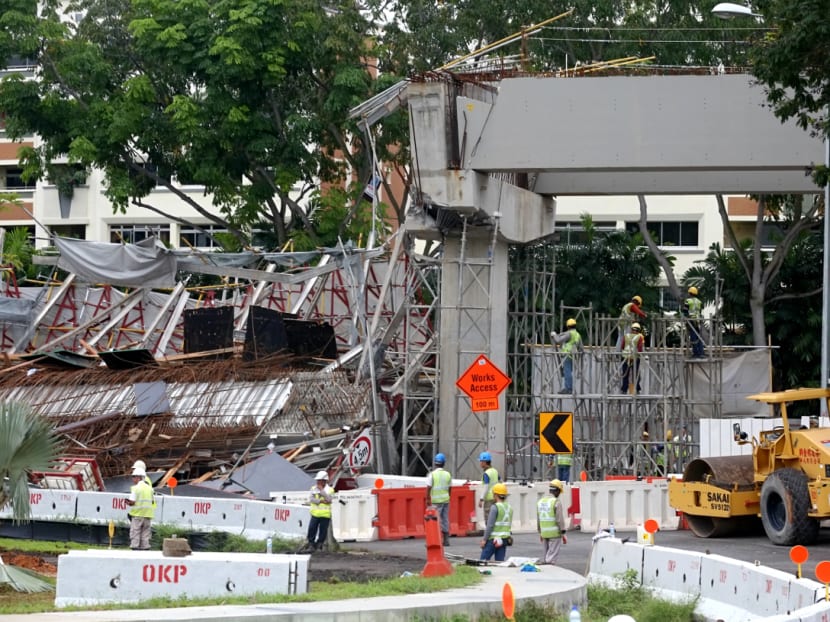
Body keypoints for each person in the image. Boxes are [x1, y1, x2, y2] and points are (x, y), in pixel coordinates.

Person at [479, 483, 513, 562]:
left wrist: (484, 539)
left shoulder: (495, 507)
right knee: (499, 563)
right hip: (504, 539)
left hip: (493, 540)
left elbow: (490, 525)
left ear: (495, 495)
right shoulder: (509, 507)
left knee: (482, 561)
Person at [537, 479, 567, 565]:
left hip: (544, 533)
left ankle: (545, 572)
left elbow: (539, 519)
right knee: (551, 558)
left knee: (546, 555)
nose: (559, 494)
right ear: (557, 490)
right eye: (559, 492)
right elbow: (559, 519)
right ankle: (549, 571)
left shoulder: (540, 502)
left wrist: (540, 532)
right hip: (554, 533)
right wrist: (563, 532)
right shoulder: (556, 502)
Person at [551, 318, 584, 394]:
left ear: (568, 326)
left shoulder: (569, 334)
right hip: (574, 356)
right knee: (568, 372)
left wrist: (554, 335)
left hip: (567, 355)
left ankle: (568, 388)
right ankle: (569, 388)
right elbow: (581, 348)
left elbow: (558, 341)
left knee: (567, 372)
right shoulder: (578, 334)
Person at [426, 453, 452, 546]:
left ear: (435, 463)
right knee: (445, 519)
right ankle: (446, 540)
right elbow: (450, 488)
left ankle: (435, 540)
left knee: (434, 520)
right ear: (444, 463)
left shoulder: (432, 475)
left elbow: (428, 487)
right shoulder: (447, 474)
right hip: (445, 500)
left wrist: (427, 498)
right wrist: (448, 497)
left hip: (436, 501)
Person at [126, 466, 154, 550]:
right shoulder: (150, 489)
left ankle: (135, 550)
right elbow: (152, 501)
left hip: (137, 515)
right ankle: (145, 551)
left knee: (135, 533)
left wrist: (128, 502)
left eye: (133, 477)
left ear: (138, 477)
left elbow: (132, 502)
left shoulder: (136, 488)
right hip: (148, 516)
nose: (132, 479)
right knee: (145, 535)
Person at [307, 471, 334, 551]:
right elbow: (311, 499)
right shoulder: (313, 488)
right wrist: (321, 501)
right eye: (317, 480)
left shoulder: (330, 490)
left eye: (319, 480)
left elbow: (329, 500)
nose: (318, 482)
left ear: (324, 481)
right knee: (312, 529)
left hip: (325, 515)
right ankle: (311, 545)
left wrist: (322, 491)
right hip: (315, 514)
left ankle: (319, 545)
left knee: (323, 532)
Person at [620, 322, 645, 394]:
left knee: (625, 374)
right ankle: (637, 389)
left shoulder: (626, 336)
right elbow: (640, 348)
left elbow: (622, 346)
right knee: (636, 374)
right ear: (638, 330)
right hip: (634, 357)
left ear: (631, 329)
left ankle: (624, 390)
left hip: (625, 357)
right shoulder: (639, 337)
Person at [478, 452, 500, 521]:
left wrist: (481, 499)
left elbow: (486, 487)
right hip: (496, 497)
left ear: (484, 462)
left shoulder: (486, 474)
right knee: (495, 517)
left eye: (481, 461)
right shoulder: (495, 471)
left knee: (488, 518)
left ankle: (489, 531)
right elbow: (501, 481)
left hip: (489, 499)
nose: (480, 463)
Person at [683, 286, 704, 358]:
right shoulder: (699, 301)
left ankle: (696, 353)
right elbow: (700, 311)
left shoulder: (688, 301)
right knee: (698, 337)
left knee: (693, 337)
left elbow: (685, 311)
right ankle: (701, 353)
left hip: (691, 321)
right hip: (698, 321)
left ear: (690, 293)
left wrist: (685, 318)